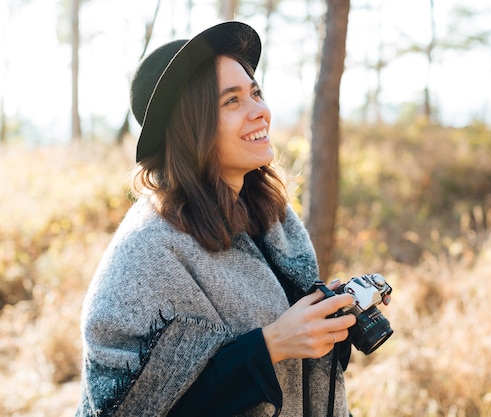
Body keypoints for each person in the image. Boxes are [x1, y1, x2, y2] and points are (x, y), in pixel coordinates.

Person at [75, 21, 357, 417]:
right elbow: (129, 407)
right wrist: (271, 344)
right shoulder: (149, 251)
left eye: (255, 92)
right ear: (192, 128)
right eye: (232, 101)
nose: (260, 111)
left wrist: (328, 313)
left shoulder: (274, 220)